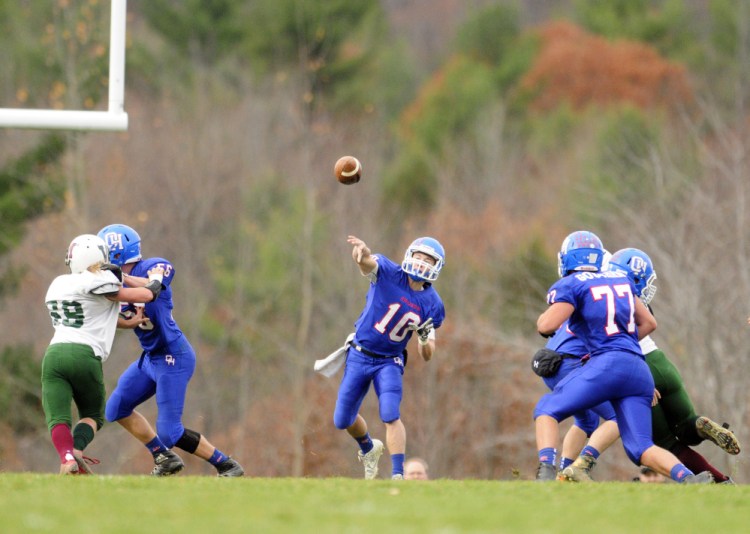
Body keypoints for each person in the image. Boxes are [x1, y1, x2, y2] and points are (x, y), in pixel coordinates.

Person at [534, 231, 712, 484]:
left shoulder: (573, 283)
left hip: (606, 365)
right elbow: (649, 322)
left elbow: (546, 326)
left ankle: (546, 473)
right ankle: (690, 478)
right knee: (641, 448)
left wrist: (545, 320)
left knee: (546, 409)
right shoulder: (621, 280)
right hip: (638, 371)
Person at [563, 248, 739, 483]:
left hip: (636, 368)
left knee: (667, 444)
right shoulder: (630, 299)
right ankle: (700, 425)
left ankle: (721, 482)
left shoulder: (598, 296)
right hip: (661, 363)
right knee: (687, 424)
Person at [97, 224, 244, 477]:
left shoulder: (152, 266)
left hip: (173, 356)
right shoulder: (111, 284)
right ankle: (164, 458)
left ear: (115, 255)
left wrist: (123, 278)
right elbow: (113, 318)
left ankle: (226, 464)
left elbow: (154, 285)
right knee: (115, 409)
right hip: (150, 358)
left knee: (169, 431)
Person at [43, 234, 166, 474]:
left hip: (54, 354)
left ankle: (67, 458)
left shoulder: (58, 283)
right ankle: (77, 450)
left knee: (58, 417)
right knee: (92, 415)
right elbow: (144, 296)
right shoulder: (98, 280)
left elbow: (92, 314)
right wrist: (156, 281)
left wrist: (128, 323)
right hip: (83, 355)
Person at [333, 235, 446, 480]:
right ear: (409, 255)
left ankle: (397, 474)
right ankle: (368, 448)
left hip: (389, 361)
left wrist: (425, 340)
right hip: (360, 354)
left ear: (436, 266)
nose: (422, 263)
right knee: (342, 419)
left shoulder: (433, 304)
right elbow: (368, 264)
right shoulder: (388, 271)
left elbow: (427, 355)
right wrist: (361, 255)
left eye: (429, 260)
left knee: (390, 413)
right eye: (419, 257)